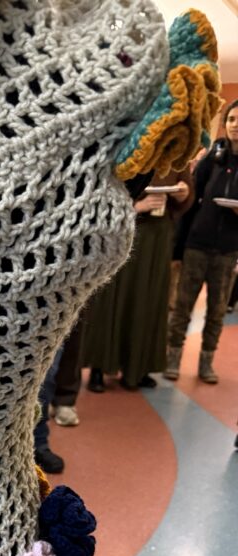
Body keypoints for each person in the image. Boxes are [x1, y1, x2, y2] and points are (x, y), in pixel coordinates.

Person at [84, 166, 193, 392]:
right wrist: (136, 207)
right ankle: (99, 367)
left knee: (148, 301)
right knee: (113, 299)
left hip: (158, 237)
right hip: (126, 232)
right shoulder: (132, 156)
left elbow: (187, 197)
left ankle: (137, 369)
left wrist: (183, 196)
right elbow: (105, 192)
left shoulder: (177, 159)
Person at [165, 99, 238, 384]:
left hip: (228, 250)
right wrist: (178, 248)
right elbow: (191, 203)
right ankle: (172, 358)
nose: (235, 125)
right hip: (197, 244)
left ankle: (206, 363)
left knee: (217, 311)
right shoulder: (212, 158)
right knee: (182, 306)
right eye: (231, 119)